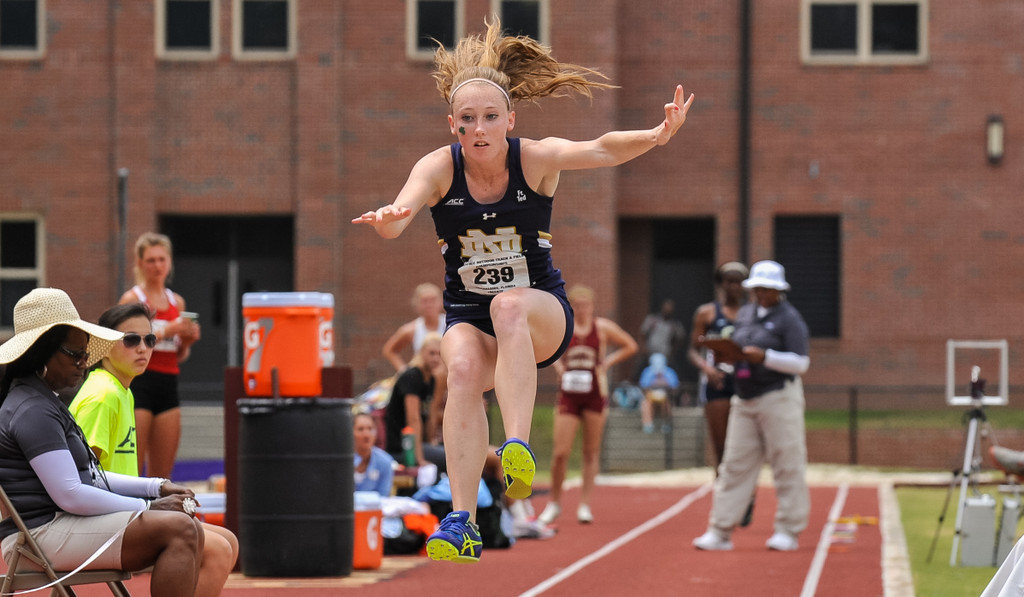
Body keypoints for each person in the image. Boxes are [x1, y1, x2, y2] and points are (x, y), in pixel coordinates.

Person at [352, 17, 694, 563]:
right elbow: (398, 218)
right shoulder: (438, 168)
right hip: (469, 315)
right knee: (460, 369)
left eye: (491, 117)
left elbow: (601, 150)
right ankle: (462, 521)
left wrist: (656, 136)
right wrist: (390, 219)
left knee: (508, 305)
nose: (480, 129)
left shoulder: (532, 158)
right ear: (453, 125)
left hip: (540, 314)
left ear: (510, 119)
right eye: (468, 119)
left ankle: (517, 446)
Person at [0, 287, 225, 597]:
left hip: (54, 527)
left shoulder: (43, 400)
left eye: (85, 354)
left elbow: (91, 476)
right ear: (42, 352)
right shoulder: (32, 409)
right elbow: (71, 495)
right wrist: (150, 505)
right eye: (75, 354)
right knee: (181, 529)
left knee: (184, 526)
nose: (84, 363)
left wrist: (157, 486)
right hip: (40, 537)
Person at [68, 302, 238, 597]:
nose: (143, 348)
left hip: (122, 514)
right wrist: (150, 504)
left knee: (228, 541)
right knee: (218, 550)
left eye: (149, 340)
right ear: (104, 346)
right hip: (99, 523)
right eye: (131, 340)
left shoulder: (122, 391)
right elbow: (83, 479)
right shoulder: (102, 395)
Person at [692, 260, 811, 553]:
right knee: (733, 465)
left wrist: (766, 357)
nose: (761, 294)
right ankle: (720, 530)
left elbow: (801, 363)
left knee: (786, 464)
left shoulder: (789, 319)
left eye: (767, 289)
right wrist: (729, 355)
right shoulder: (746, 313)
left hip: (778, 397)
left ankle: (788, 529)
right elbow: (740, 348)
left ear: (779, 291)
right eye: (757, 289)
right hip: (744, 397)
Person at [539, 285, 637, 526]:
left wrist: (607, 362)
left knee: (591, 451)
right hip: (569, 395)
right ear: (572, 307)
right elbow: (543, 347)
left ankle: (584, 504)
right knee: (560, 452)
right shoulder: (564, 326)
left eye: (586, 305)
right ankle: (554, 503)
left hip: (594, 394)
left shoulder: (601, 328)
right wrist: (559, 367)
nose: (582, 310)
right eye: (578, 305)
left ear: (592, 306)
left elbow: (630, 345)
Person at [119, 232, 200, 479]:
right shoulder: (133, 299)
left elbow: (179, 355)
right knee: (132, 469)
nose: (157, 266)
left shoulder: (177, 302)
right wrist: (166, 330)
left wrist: (187, 340)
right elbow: (123, 344)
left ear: (170, 261)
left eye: (162, 259)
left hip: (168, 383)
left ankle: (160, 506)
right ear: (140, 263)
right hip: (140, 383)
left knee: (162, 476)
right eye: (151, 260)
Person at [687, 261, 749, 469]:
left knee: (745, 444)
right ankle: (721, 481)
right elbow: (693, 350)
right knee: (721, 443)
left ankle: (744, 485)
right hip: (718, 380)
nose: (734, 286)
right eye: (729, 281)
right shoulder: (707, 313)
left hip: (746, 380)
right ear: (721, 284)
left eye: (738, 282)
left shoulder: (752, 314)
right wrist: (706, 368)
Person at [384, 332, 447, 472]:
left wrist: (431, 442)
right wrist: (419, 459)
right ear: (421, 353)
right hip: (402, 447)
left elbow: (430, 415)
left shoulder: (430, 379)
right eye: (431, 353)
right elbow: (413, 419)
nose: (436, 358)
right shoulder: (412, 377)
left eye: (439, 354)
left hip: (420, 445)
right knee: (450, 459)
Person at [382, 282, 447, 372]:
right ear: (417, 304)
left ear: (441, 302)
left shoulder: (451, 325)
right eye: (425, 301)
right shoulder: (411, 330)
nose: (429, 305)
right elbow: (389, 350)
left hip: (447, 375)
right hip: (424, 377)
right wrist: (403, 370)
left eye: (433, 300)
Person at [636, 298, 687, 381]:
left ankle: (680, 387)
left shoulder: (675, 325)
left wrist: (672, 351)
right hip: (650, 352)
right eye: (666, 308)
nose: (667, 311)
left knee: (675, 370)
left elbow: (680, 338)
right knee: (639, 368)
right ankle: (633, 384)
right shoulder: (653, 320)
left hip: (665, 354)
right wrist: (644, 348)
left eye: (670, 309)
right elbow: (642, 333)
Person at [353, 411, 396, 496]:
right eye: (360, 429)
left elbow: (383, 495)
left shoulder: (385, 461)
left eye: (370, 429)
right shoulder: (342, 462)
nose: (366, 435)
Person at [638, 352, 680, 434]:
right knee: (646, 403)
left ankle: (666, 424)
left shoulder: (670, 372)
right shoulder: (647, 372)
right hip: (651, 397)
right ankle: (647, 424)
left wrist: (665, 385)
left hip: (665, 397)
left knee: (667, 403)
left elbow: (675, 389)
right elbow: (643, 387)